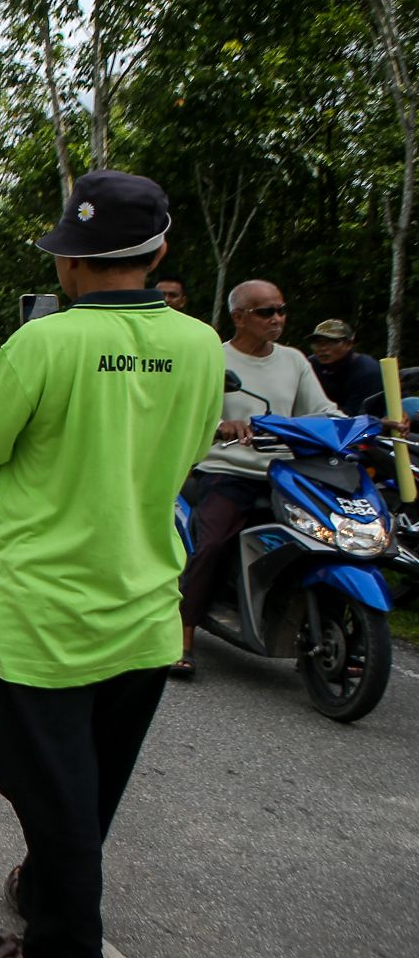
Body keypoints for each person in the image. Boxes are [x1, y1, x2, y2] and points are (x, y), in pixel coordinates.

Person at [0, 170, 222, 958]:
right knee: (88, 780)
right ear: (159, 253)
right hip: (147, 605)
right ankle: (45, 886)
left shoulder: (44, 343)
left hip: (47, 609)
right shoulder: (202, 345)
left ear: (69, 262)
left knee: (31, 771)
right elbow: (191, 453)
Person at [174, 278, 342, 677]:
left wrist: (362, 425)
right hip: (227, 470)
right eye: (266, 312)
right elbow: (187, 410)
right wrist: (220, 425)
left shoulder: (294, 360)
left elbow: (322, 411)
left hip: (286, 473)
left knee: (329, 539)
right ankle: (182, 637)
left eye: (281, 310)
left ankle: (322, 634)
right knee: (212, 544)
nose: (277, 319)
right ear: (239, 317)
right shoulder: (214, 358)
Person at [306, 319, 384, 416]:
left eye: (331, 342)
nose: (323, 348)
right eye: (317, 343)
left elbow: (355, 415)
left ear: (349, 344)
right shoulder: (309, 365)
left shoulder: (367, 371)